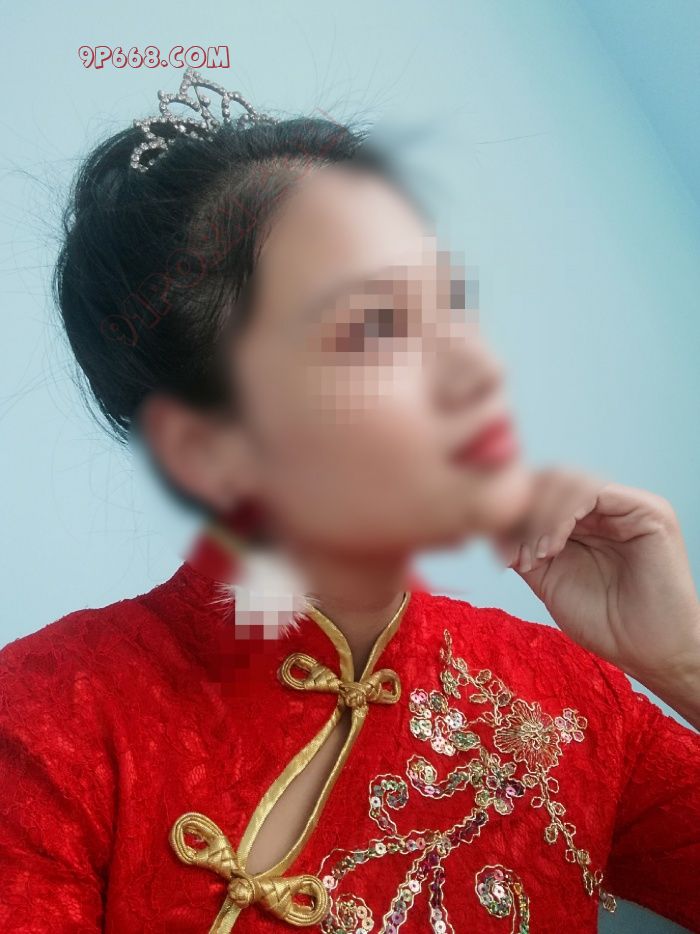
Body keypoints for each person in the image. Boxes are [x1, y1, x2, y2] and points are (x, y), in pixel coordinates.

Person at [1, 69, 699, 933]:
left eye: (449, 307)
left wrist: (682, 660)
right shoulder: (50, 724)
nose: (473, 368)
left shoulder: (568, 699)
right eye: (378, 327)